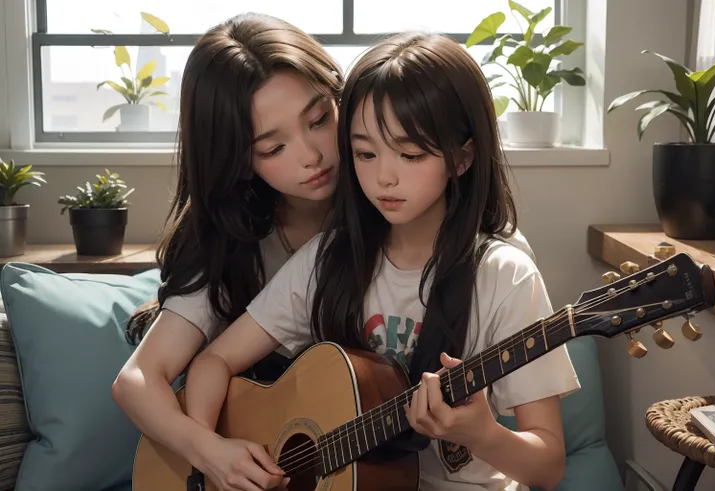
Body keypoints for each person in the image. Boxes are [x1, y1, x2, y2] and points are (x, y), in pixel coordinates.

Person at [191, 31, 582, 491]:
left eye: (410, 153)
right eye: (364, 153)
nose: (384, 177)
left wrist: (484, 434)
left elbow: (548, 466)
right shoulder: (326, 262)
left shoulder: (504, 277)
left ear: (462, 158)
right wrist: (209, 461)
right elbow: (212, 362)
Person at [110, 11, 344, 481]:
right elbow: (136, 380)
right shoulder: (226, 237)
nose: (311, 155)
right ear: (237, 161)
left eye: (319, 119)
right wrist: (210, 452)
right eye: (273, 148)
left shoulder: (390, 203)